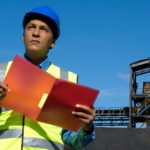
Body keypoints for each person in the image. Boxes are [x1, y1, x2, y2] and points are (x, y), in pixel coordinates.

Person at [0, 6, 96, 150]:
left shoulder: (67, 79)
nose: (36, 33)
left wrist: (87, 127)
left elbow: (74, 141)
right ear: (22, 37)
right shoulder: (1, 72)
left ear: (52, 42)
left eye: (44, 29)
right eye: (31, 27)